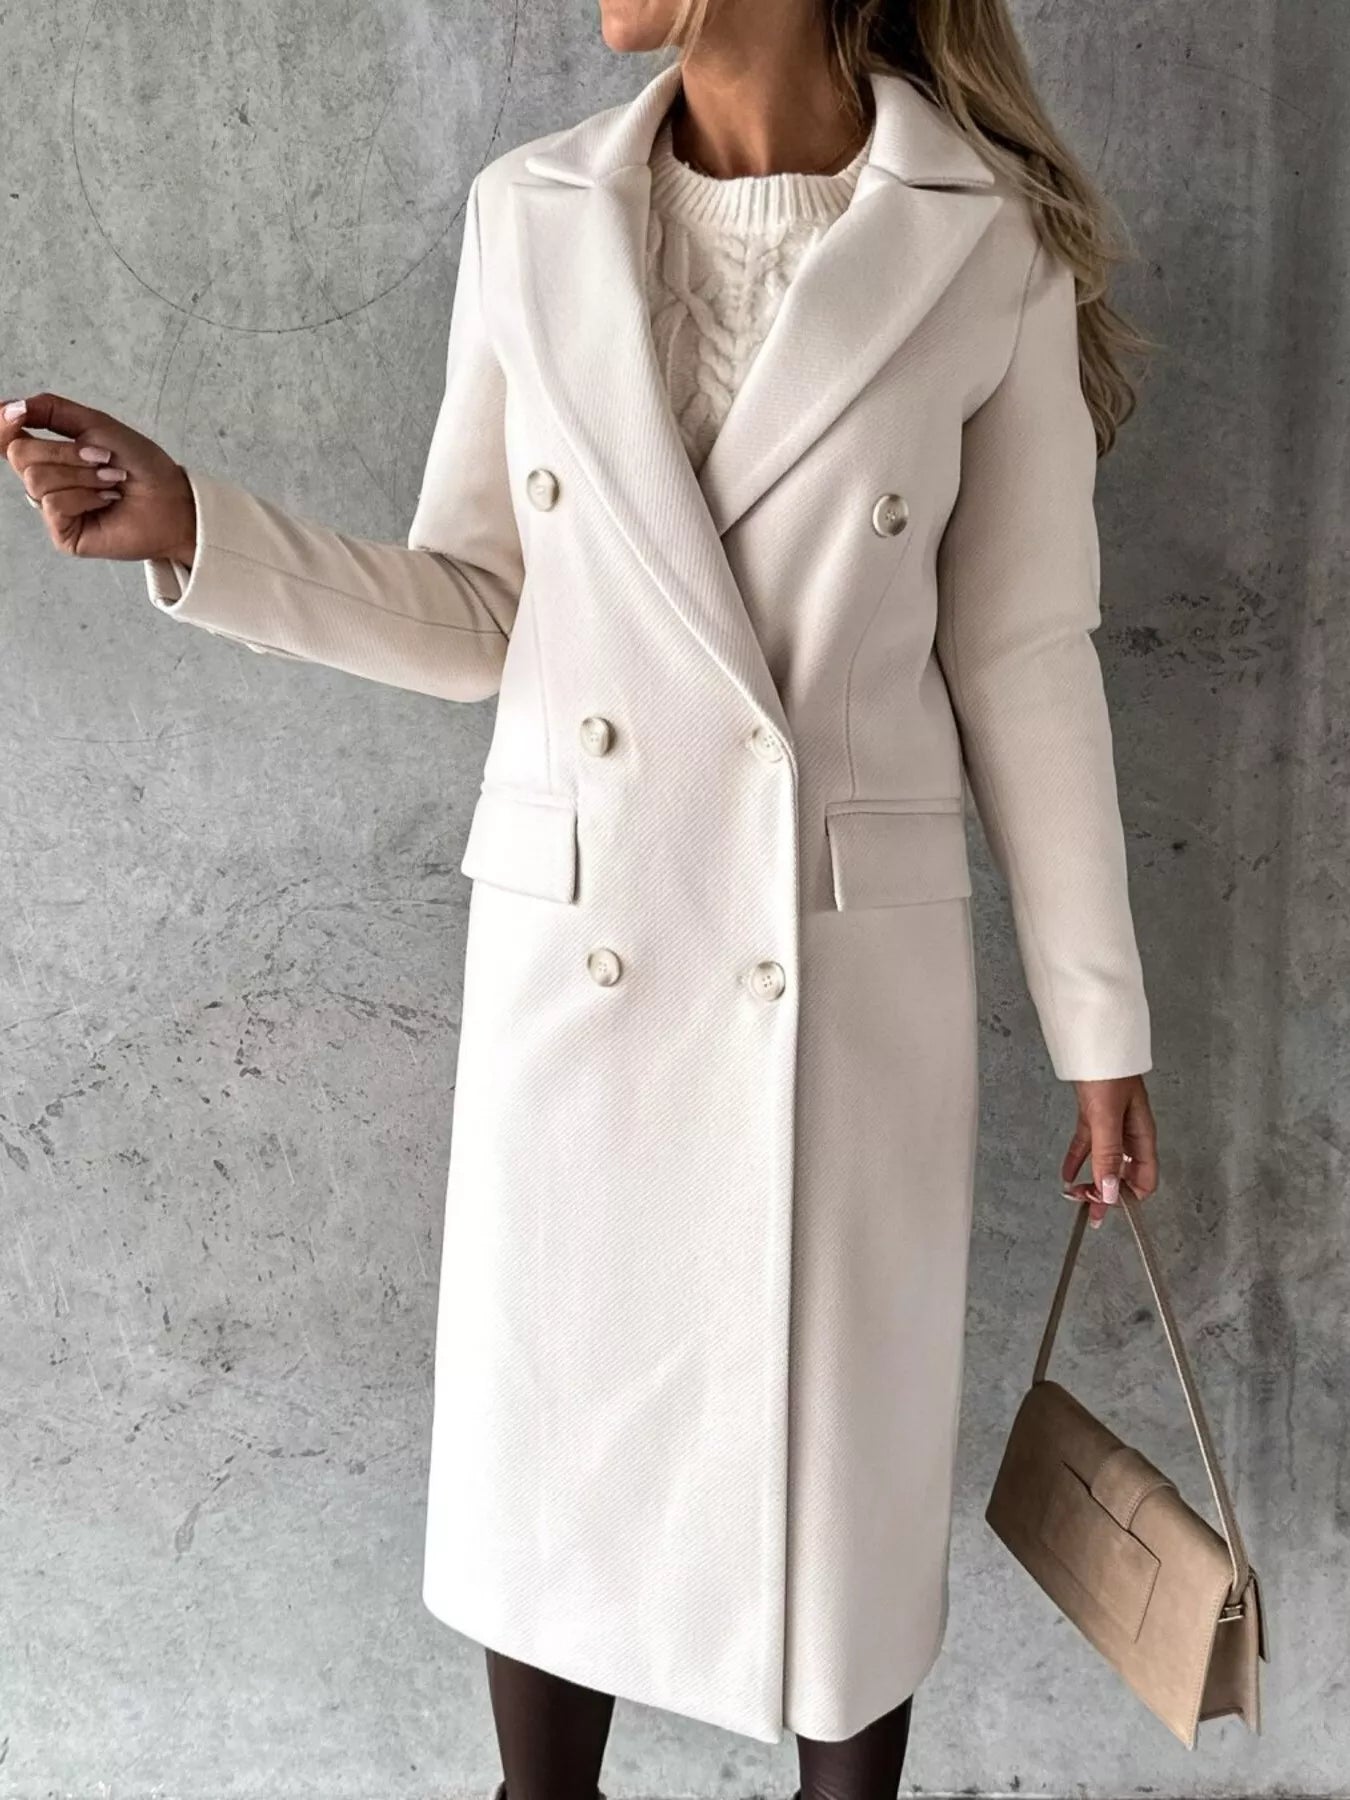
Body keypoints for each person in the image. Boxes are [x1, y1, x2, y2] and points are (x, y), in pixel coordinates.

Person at [3, 0, 1161, 1794]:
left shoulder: (978, 236)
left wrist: (1101, 1028)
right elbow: (485, 609)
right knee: (560, 1473)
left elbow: (1022, 655)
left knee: (835, 1500)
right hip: (588, 947)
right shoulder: (525, 211)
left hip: (837, 984)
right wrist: (197, 533)